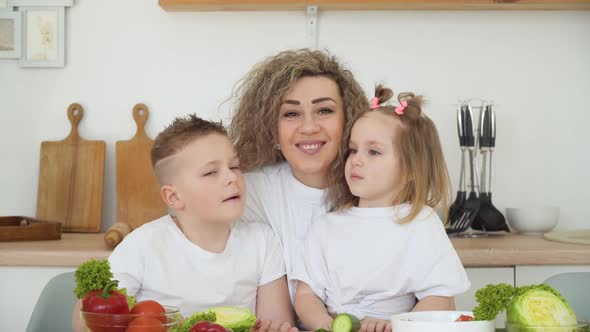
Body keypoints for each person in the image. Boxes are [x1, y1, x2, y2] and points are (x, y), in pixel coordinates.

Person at [72, 115, 295, 332]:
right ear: (174, 197)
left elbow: (276, 321)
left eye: (235, 166)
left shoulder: (263, 241)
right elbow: (84, 321)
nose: (231, 178)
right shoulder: (143, 245)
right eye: (210, 172)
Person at [293, 85, 471, 332]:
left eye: (373, 152)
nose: (356, 159)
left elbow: (441, 298)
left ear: (410, 169)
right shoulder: (325, 227)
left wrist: (398, 326)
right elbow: (305, 295)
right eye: (353, 149)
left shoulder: (420, 222)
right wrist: (327, 325)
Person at [229, 49, 369, 301]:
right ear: (269, 126)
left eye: (324, 111)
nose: (309, 127)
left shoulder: (378, 185)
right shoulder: (247, 192)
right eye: (291, 114)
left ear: (348, 119)